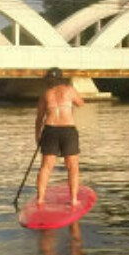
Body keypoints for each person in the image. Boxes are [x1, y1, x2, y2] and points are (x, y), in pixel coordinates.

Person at [35, 67, 85, 207]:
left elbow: (39, 118)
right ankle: (73, 200)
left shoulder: (45, 94)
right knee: (72, 167)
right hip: (68, 130)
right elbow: (81, 103)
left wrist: (37, 136)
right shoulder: (69, 90)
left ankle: (40, 199)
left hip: (50, 130)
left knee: (46, 167)